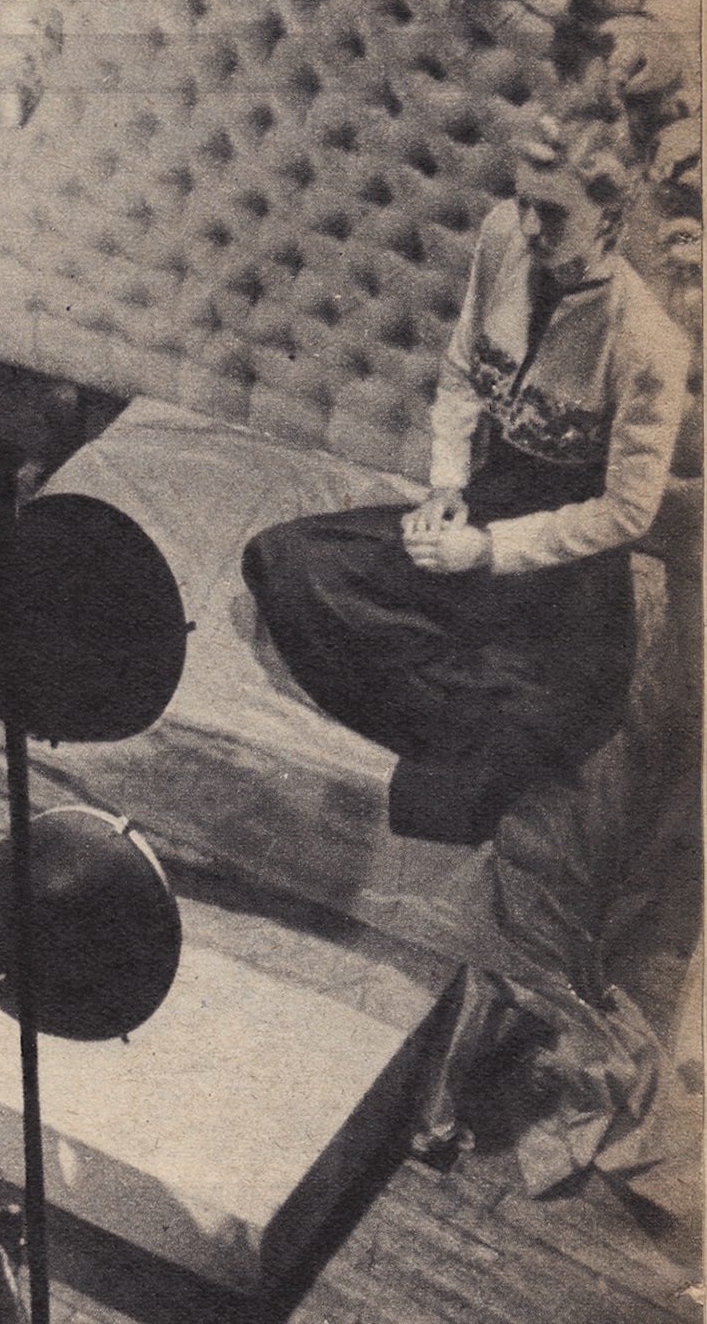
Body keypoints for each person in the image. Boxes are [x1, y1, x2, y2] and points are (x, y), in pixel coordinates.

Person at [241, 82, 690, 845]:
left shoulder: (649, 342)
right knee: (281, 560)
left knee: (485, 762)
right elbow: (459, 373)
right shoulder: (501, 238)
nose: (530, 226)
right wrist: (446, 487)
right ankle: (473, 709)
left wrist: (486, 550)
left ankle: (486, 714)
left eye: (554, 213)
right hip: (480, 509)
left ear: (611, 214)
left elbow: (627, 513)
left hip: (565, 579)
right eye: (524, 201)